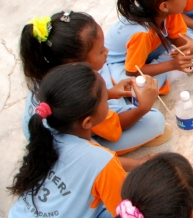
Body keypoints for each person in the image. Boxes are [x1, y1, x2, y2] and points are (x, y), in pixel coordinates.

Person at [2, 63, 127, 218]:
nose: (108, 99)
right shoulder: (102, 162)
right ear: (88, 123)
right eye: (105, 97)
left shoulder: (45, 129)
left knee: (107, 205)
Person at [20, 11, 170, 159]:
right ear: (74, 64)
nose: (107, 51)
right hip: (65, 150)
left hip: (57, 124)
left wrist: (110, 93)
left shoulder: (51, 71)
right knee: (155, 122)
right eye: (100, 51)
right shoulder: (78, 98)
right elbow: (116, 127)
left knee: (103, 71)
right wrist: (142, 109)